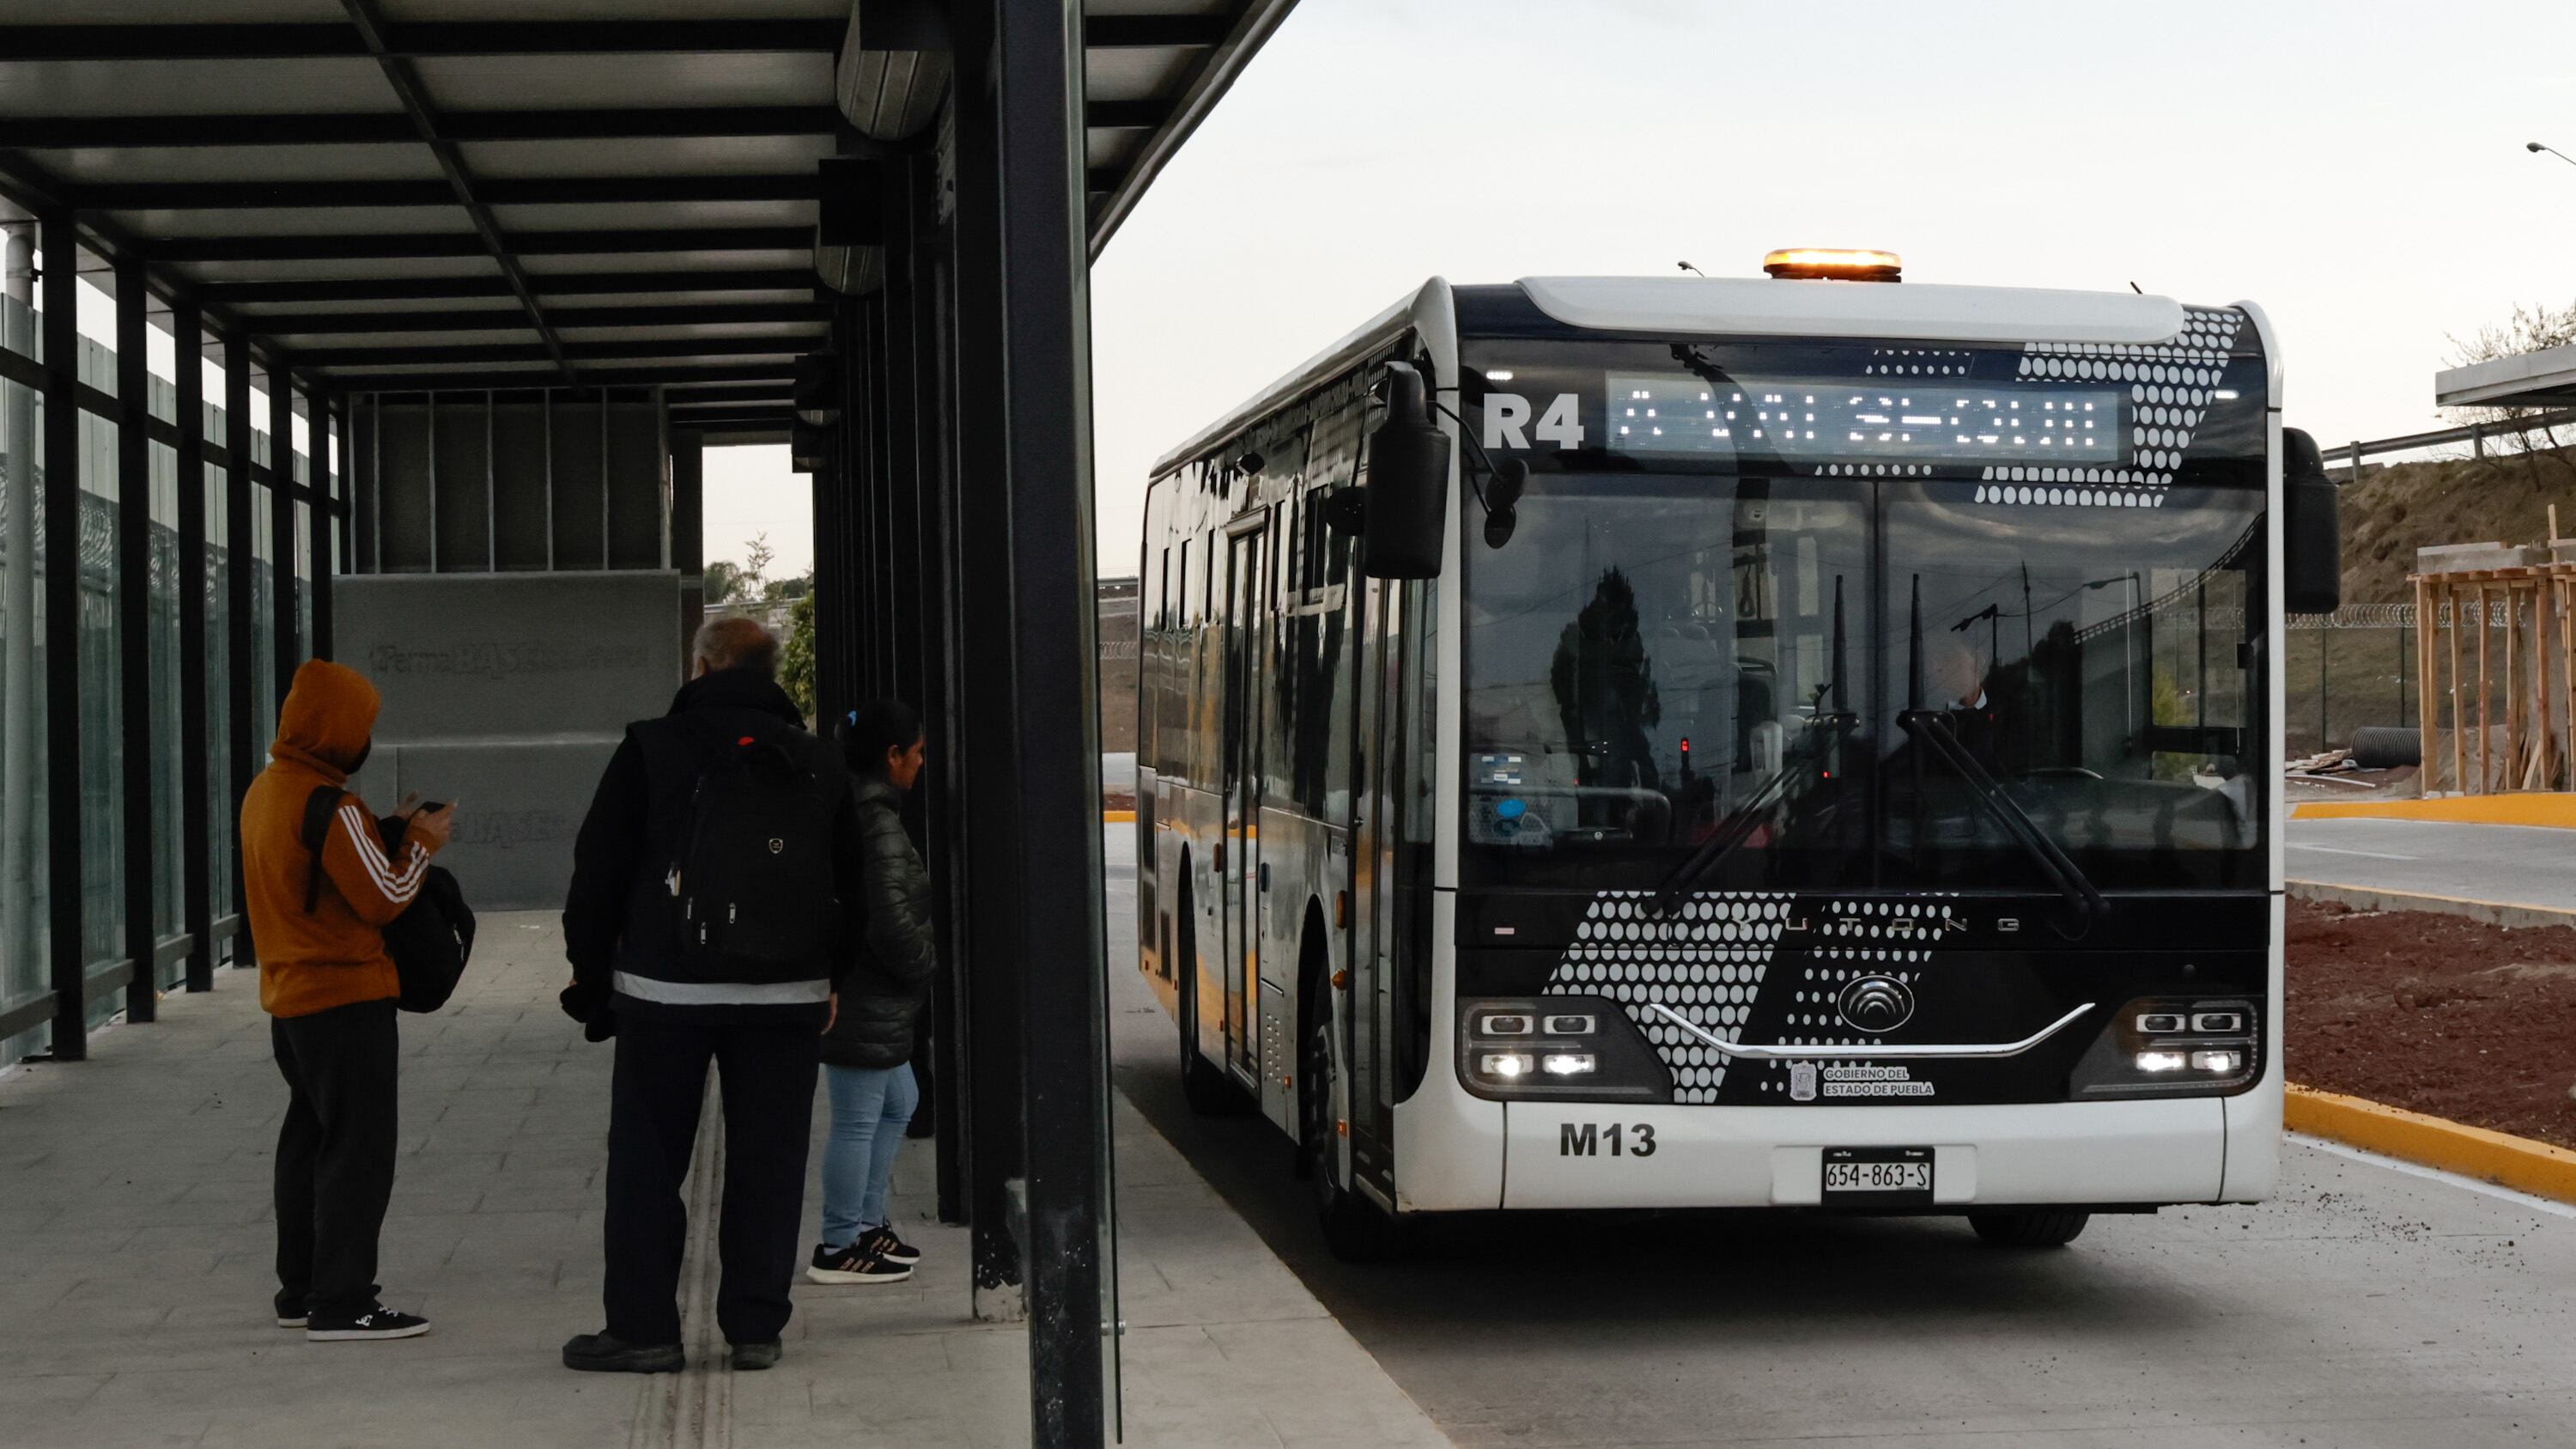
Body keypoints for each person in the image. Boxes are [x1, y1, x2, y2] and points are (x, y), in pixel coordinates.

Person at [557, 618, 862, 1375]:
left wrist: (592, 979)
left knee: (648, 1160)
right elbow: (854, 886)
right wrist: (833, 980)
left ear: (700, 665)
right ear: (771, 673)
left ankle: (643, 1327)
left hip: (664, 991)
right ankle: (755, 1326)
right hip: (786, 991)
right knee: (770, 1157)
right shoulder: (819, 761)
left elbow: (596, 871)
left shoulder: (651, 748)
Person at [240, 659, 456, 1343]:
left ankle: (299, 1287)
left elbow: (320, 878)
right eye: (361, 727)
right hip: (346, 1000)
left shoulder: (267, 791)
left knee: (308, 1141)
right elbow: (386, 897)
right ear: (336, 731)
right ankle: (345, 1299)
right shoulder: (331, 806)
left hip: (291, 1001)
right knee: (359, 1152)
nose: (365, 741)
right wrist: (420, 841)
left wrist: (380, 832)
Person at [808, 700, 939, 1286]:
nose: (920, 763)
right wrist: (924, 963)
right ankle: (838, 1243)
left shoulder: (864, 807)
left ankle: (864, 1224)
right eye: (917, 753)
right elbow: (889, 918)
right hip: (866, 992)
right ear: (891, 756)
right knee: (858, 1120)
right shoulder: (876, 820)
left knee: (899, 1100)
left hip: (873, 993)